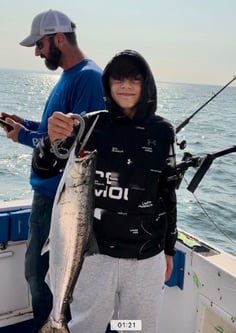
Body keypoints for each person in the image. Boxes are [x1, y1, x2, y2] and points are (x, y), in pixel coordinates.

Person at [32, 49, 178, 333]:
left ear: (146, 84)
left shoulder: (163, 132)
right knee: (88, 324)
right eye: (118, 79)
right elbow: (44, 168)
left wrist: (169, 249)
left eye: (134, 79)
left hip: (145, 257)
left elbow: (167, 193)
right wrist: (50, 141)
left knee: (134, 326)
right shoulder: (88, 125)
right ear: (107, 84)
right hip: (92, 253)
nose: (125, 86)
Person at [0, 9, 105, 333]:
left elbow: (78, 145)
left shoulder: (88, 77)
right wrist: (25, 125)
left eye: (40, 44)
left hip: (62, 203)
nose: (37, 51)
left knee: (42, 274)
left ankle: (55, 326)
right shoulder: (70, 76)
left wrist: (24, 137)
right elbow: (53, 132)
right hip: (48, 196)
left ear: (59, 38)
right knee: (37, 272)